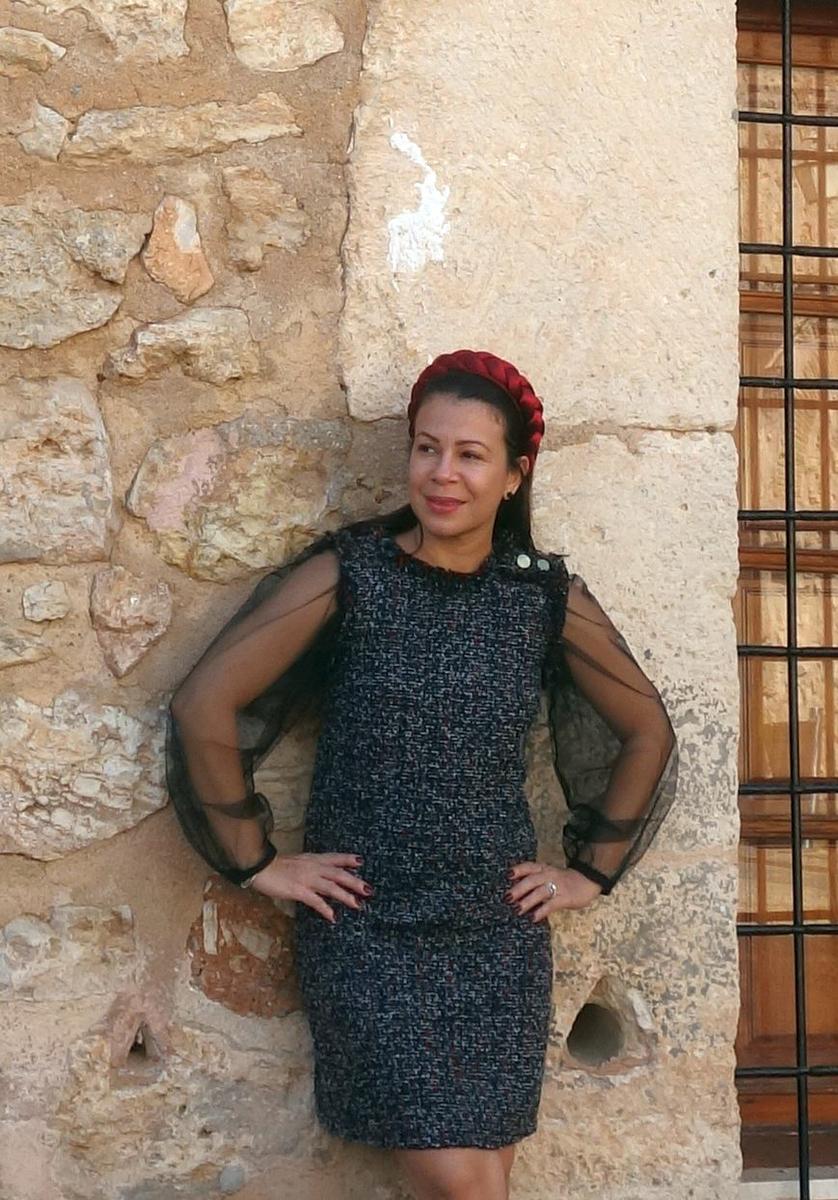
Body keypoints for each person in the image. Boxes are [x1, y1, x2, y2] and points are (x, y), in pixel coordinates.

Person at [165, 349, 679, 1200]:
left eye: (471, 455)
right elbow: (204, 705)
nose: (442, 473)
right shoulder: (351, 575)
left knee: (486, 1178)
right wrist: (259, 863)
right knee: (463, 1183)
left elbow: (647, 731)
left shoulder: (542, 597)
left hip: (493, 927)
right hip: (367, 924)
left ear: (513, 476)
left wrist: (587, 873)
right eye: (427, 448)